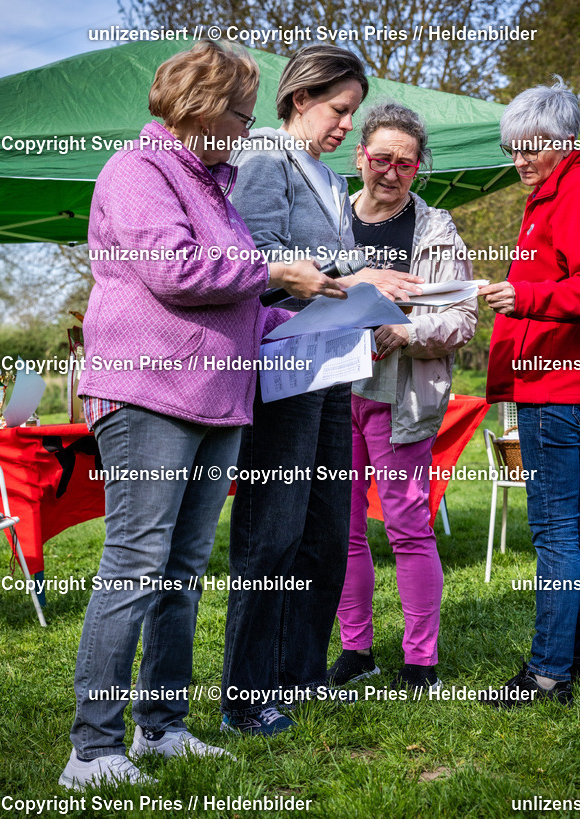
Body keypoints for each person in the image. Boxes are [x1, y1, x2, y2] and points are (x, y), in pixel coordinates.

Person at [61, 41, 341, 789]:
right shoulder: (139, 171)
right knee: (136, 564)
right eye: (241, 116)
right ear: (200, 107)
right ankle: (91, 749)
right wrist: (278, 270)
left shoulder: (216, 186)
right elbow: (175, 271)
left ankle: (162, 728)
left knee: (182, 572)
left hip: (218, 399)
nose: (248, 132)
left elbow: (242, 300)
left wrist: (327, 316)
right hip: (149, 392)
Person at [221, 46, 421, 736]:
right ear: (301, 97)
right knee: (271, 533)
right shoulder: (263, 159)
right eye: (339, 110)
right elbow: (258, 258)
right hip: (281, 367)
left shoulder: (332, 182)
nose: (346, 125)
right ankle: (246, 695)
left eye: (352, 113)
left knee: (326, 532)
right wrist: (359, 274)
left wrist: (377, 286)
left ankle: (299, 675)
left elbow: (334, 265)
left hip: (332, 368)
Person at [478, 77, 580, 708]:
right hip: (543, 379)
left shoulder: (579, 191)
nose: (520, 160)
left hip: (556, 382)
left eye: (529, 147)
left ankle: (546, 675)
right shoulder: (547, 197)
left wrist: (525, 296)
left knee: (554, 531)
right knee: (573, 532)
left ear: (562, 139)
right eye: (513, 149)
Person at [327, 102, 477, 691]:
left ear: (418, 169)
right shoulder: (331, 218)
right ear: (359, 156)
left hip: (401, 396)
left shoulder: (435, 229)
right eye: (381, 158)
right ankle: (356, 651)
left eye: (405, 163)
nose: (390, 172)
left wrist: (406, 331)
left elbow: (462, 317)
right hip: (333, 392)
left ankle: (420, 662)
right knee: (342, 528)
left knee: (408, 525)